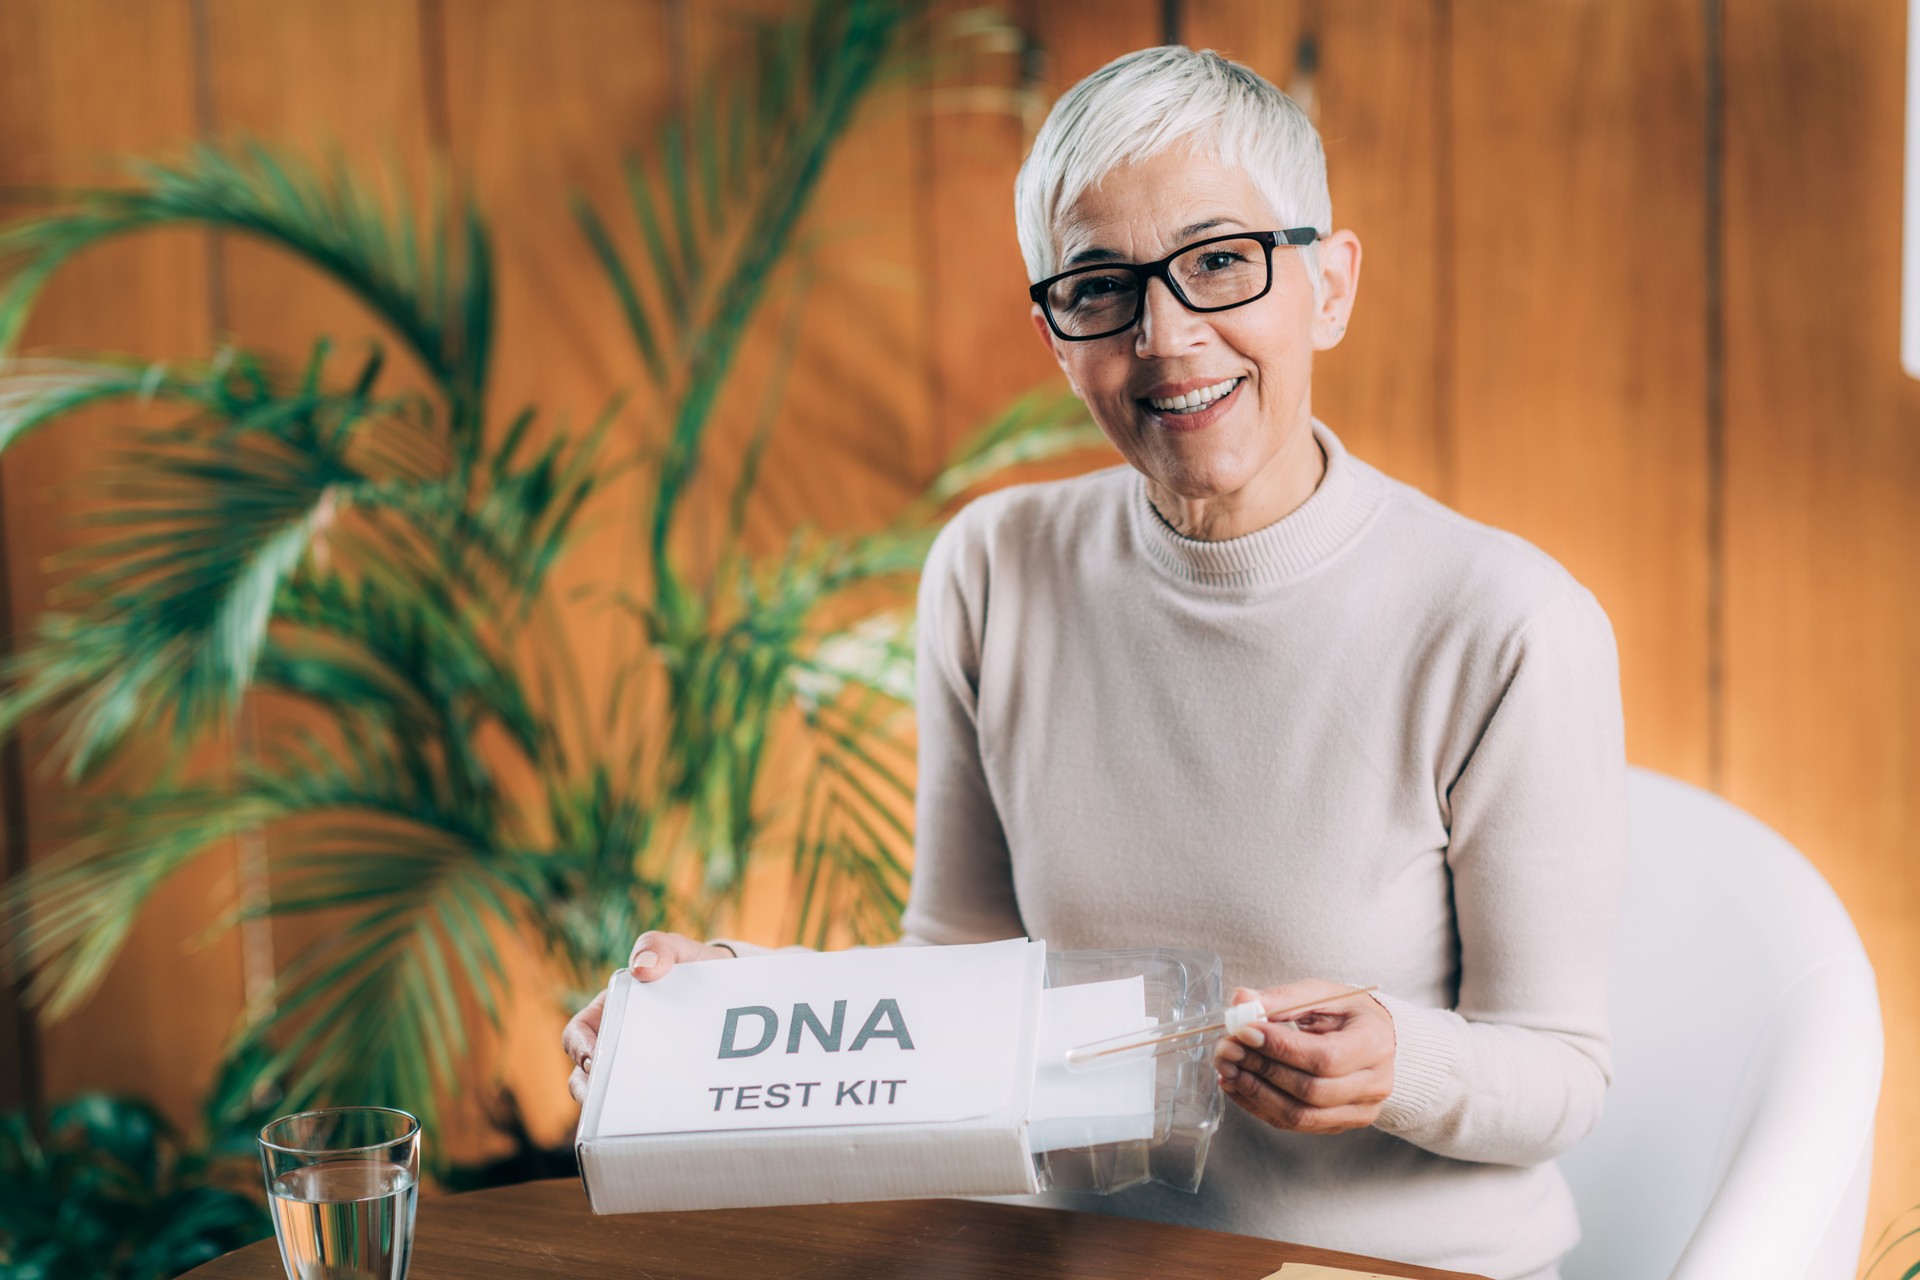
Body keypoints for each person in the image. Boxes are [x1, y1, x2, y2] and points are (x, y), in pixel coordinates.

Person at [563, 44, 1625, 1280]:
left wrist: (1404, 1061)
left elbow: (1560, 1071)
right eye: (1100, 286)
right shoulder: (995, 570)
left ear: (1329, 286)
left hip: (1392, 1270)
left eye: (1222, 262)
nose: (1166, 337)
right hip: (1079, 1258)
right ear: (1055, 334)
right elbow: (959, 976)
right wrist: (735, 1006)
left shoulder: (1506, 621)